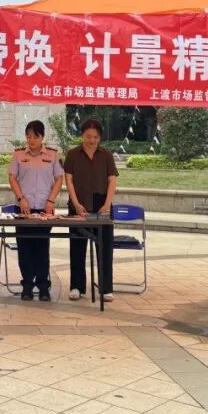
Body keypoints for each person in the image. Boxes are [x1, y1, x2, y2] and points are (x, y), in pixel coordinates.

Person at [8, 120, 64, 301]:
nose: (31, 140)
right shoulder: (18, 154)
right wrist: (21, 198)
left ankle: (43, 286)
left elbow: (59, 178)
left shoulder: (52, 155)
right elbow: (12, 177)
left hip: (44, 209)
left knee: (41, 248)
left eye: (35, 136)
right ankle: (27, 286)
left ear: (42, 137)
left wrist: (51, 200)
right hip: (23, 209)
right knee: (24, 248)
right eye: (28, 136)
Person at [63, 118, 117, 302]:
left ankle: (106, 288)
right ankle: (76, 286)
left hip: (102, 204)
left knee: (105, 248)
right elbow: (69, 180)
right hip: (79, 204)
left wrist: (107, 204)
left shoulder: (106, 155)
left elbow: (112, 180)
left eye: (95, 137)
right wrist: (76, 204)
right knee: (77, 247)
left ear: (100, 137)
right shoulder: (73, 154)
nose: (91, 140)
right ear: (82, 136)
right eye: (88, 136)